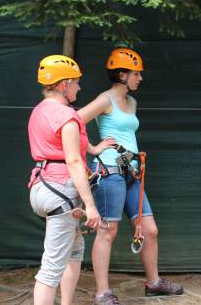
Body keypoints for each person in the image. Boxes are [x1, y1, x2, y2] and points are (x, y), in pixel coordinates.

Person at [78, 47, 183, 304]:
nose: (140, 78)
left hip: (132, 173)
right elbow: (75, 120)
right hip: (110, 173)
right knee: (108, 231)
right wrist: (93, 147)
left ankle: (154, 282)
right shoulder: (105, 100)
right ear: (123, 74)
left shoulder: (132, 102)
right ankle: (102, 292)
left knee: (150, 229)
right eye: (137, 74)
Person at [28, 55, 113, 305]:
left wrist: (94, 149)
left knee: (74, 250)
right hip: (62, 191)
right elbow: (74, 160)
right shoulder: (67, 115)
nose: (79, 87)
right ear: (64, 84)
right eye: (76, 82)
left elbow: (63, 147)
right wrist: (91, 206)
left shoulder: (39, 111)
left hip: (41, 187)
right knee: (51, 267)